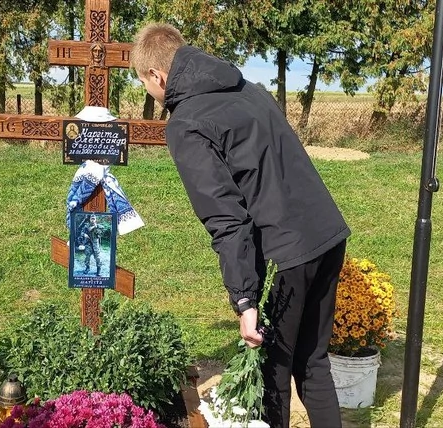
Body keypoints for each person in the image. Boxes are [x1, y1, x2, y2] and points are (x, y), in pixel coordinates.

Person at [130, 23, 351, 428]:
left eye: (144, 84)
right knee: (312, 362)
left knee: (270, 372)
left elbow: (226, 218)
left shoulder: (186, 123)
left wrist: (245, 301)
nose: (149, 92)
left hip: (287, 255)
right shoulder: (249, 89)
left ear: (157, 76)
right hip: (327, 232)